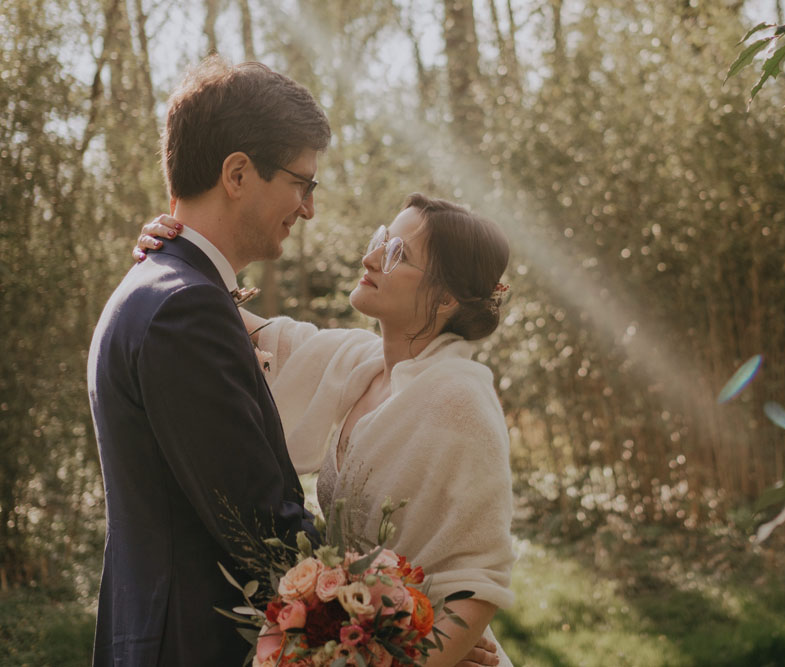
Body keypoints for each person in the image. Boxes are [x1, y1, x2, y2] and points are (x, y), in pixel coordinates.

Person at [134, 193, 516, 666]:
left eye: (396, 252)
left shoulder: (461, 399)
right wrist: (174, 251)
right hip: (354, 648)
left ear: (447, 298)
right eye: (381, 239)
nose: (370, 255)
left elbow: (477, 585)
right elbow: (217, 316)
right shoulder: (359, 364)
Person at [87, 56, 329, 665]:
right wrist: (394, 608)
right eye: (303, 183)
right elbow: (259, 527)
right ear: (239, 173)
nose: (307, 208)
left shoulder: (162, 288)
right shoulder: (183, 310)